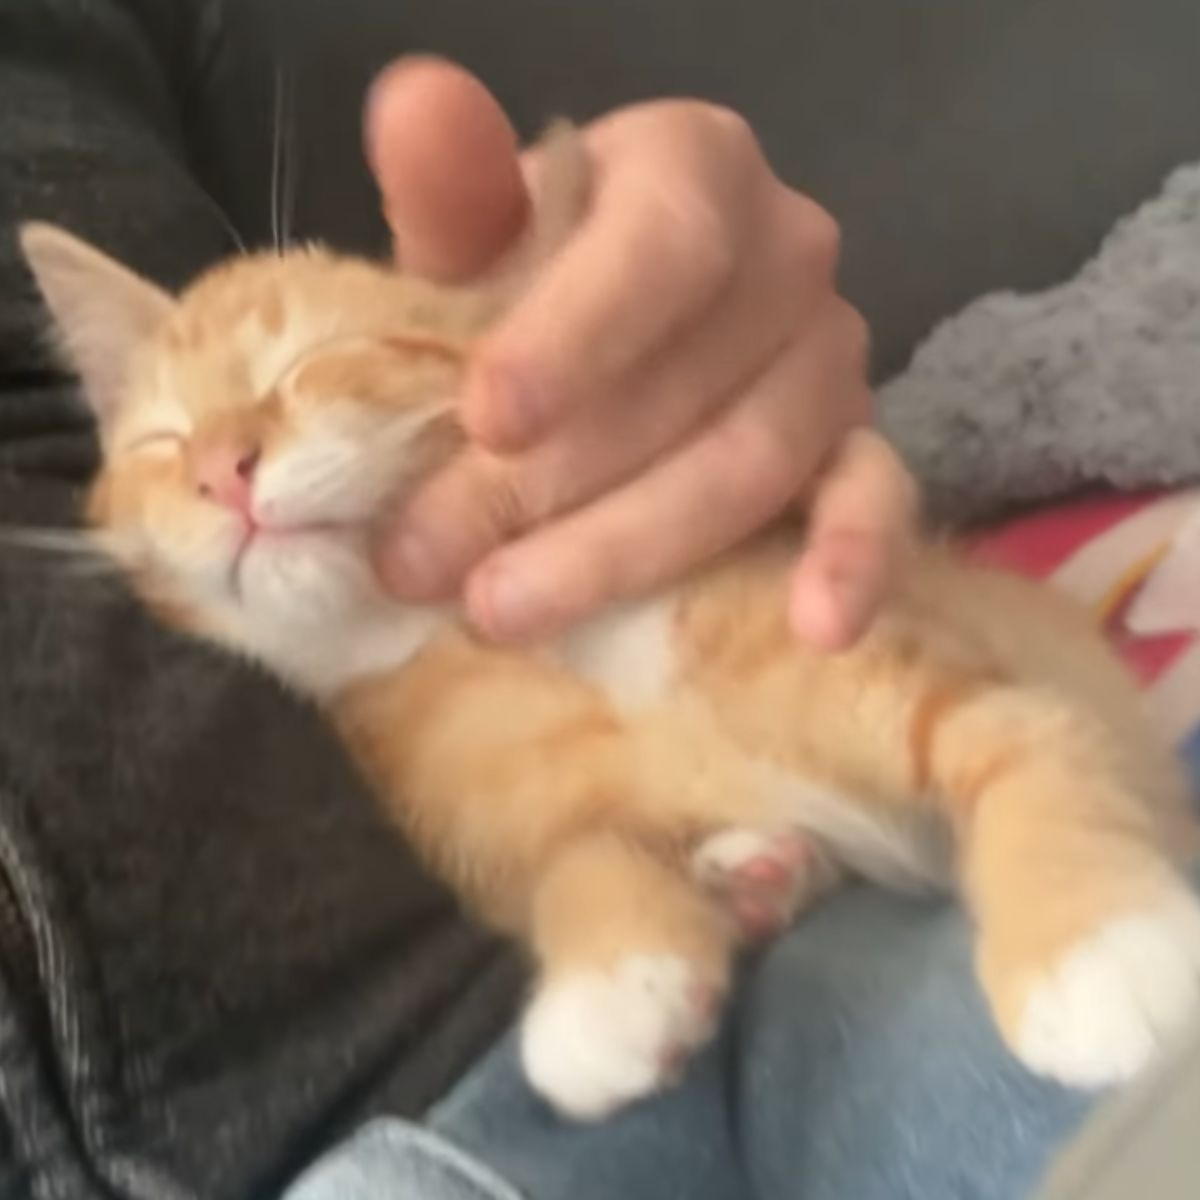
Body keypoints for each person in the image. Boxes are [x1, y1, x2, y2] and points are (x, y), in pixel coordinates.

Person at [0, 3, 1196, 1199]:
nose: (225, 464)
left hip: (758, 984)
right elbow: (561, 847)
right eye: (160, 438)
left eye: (300, 378)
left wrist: (627, 304)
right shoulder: (421, 743)